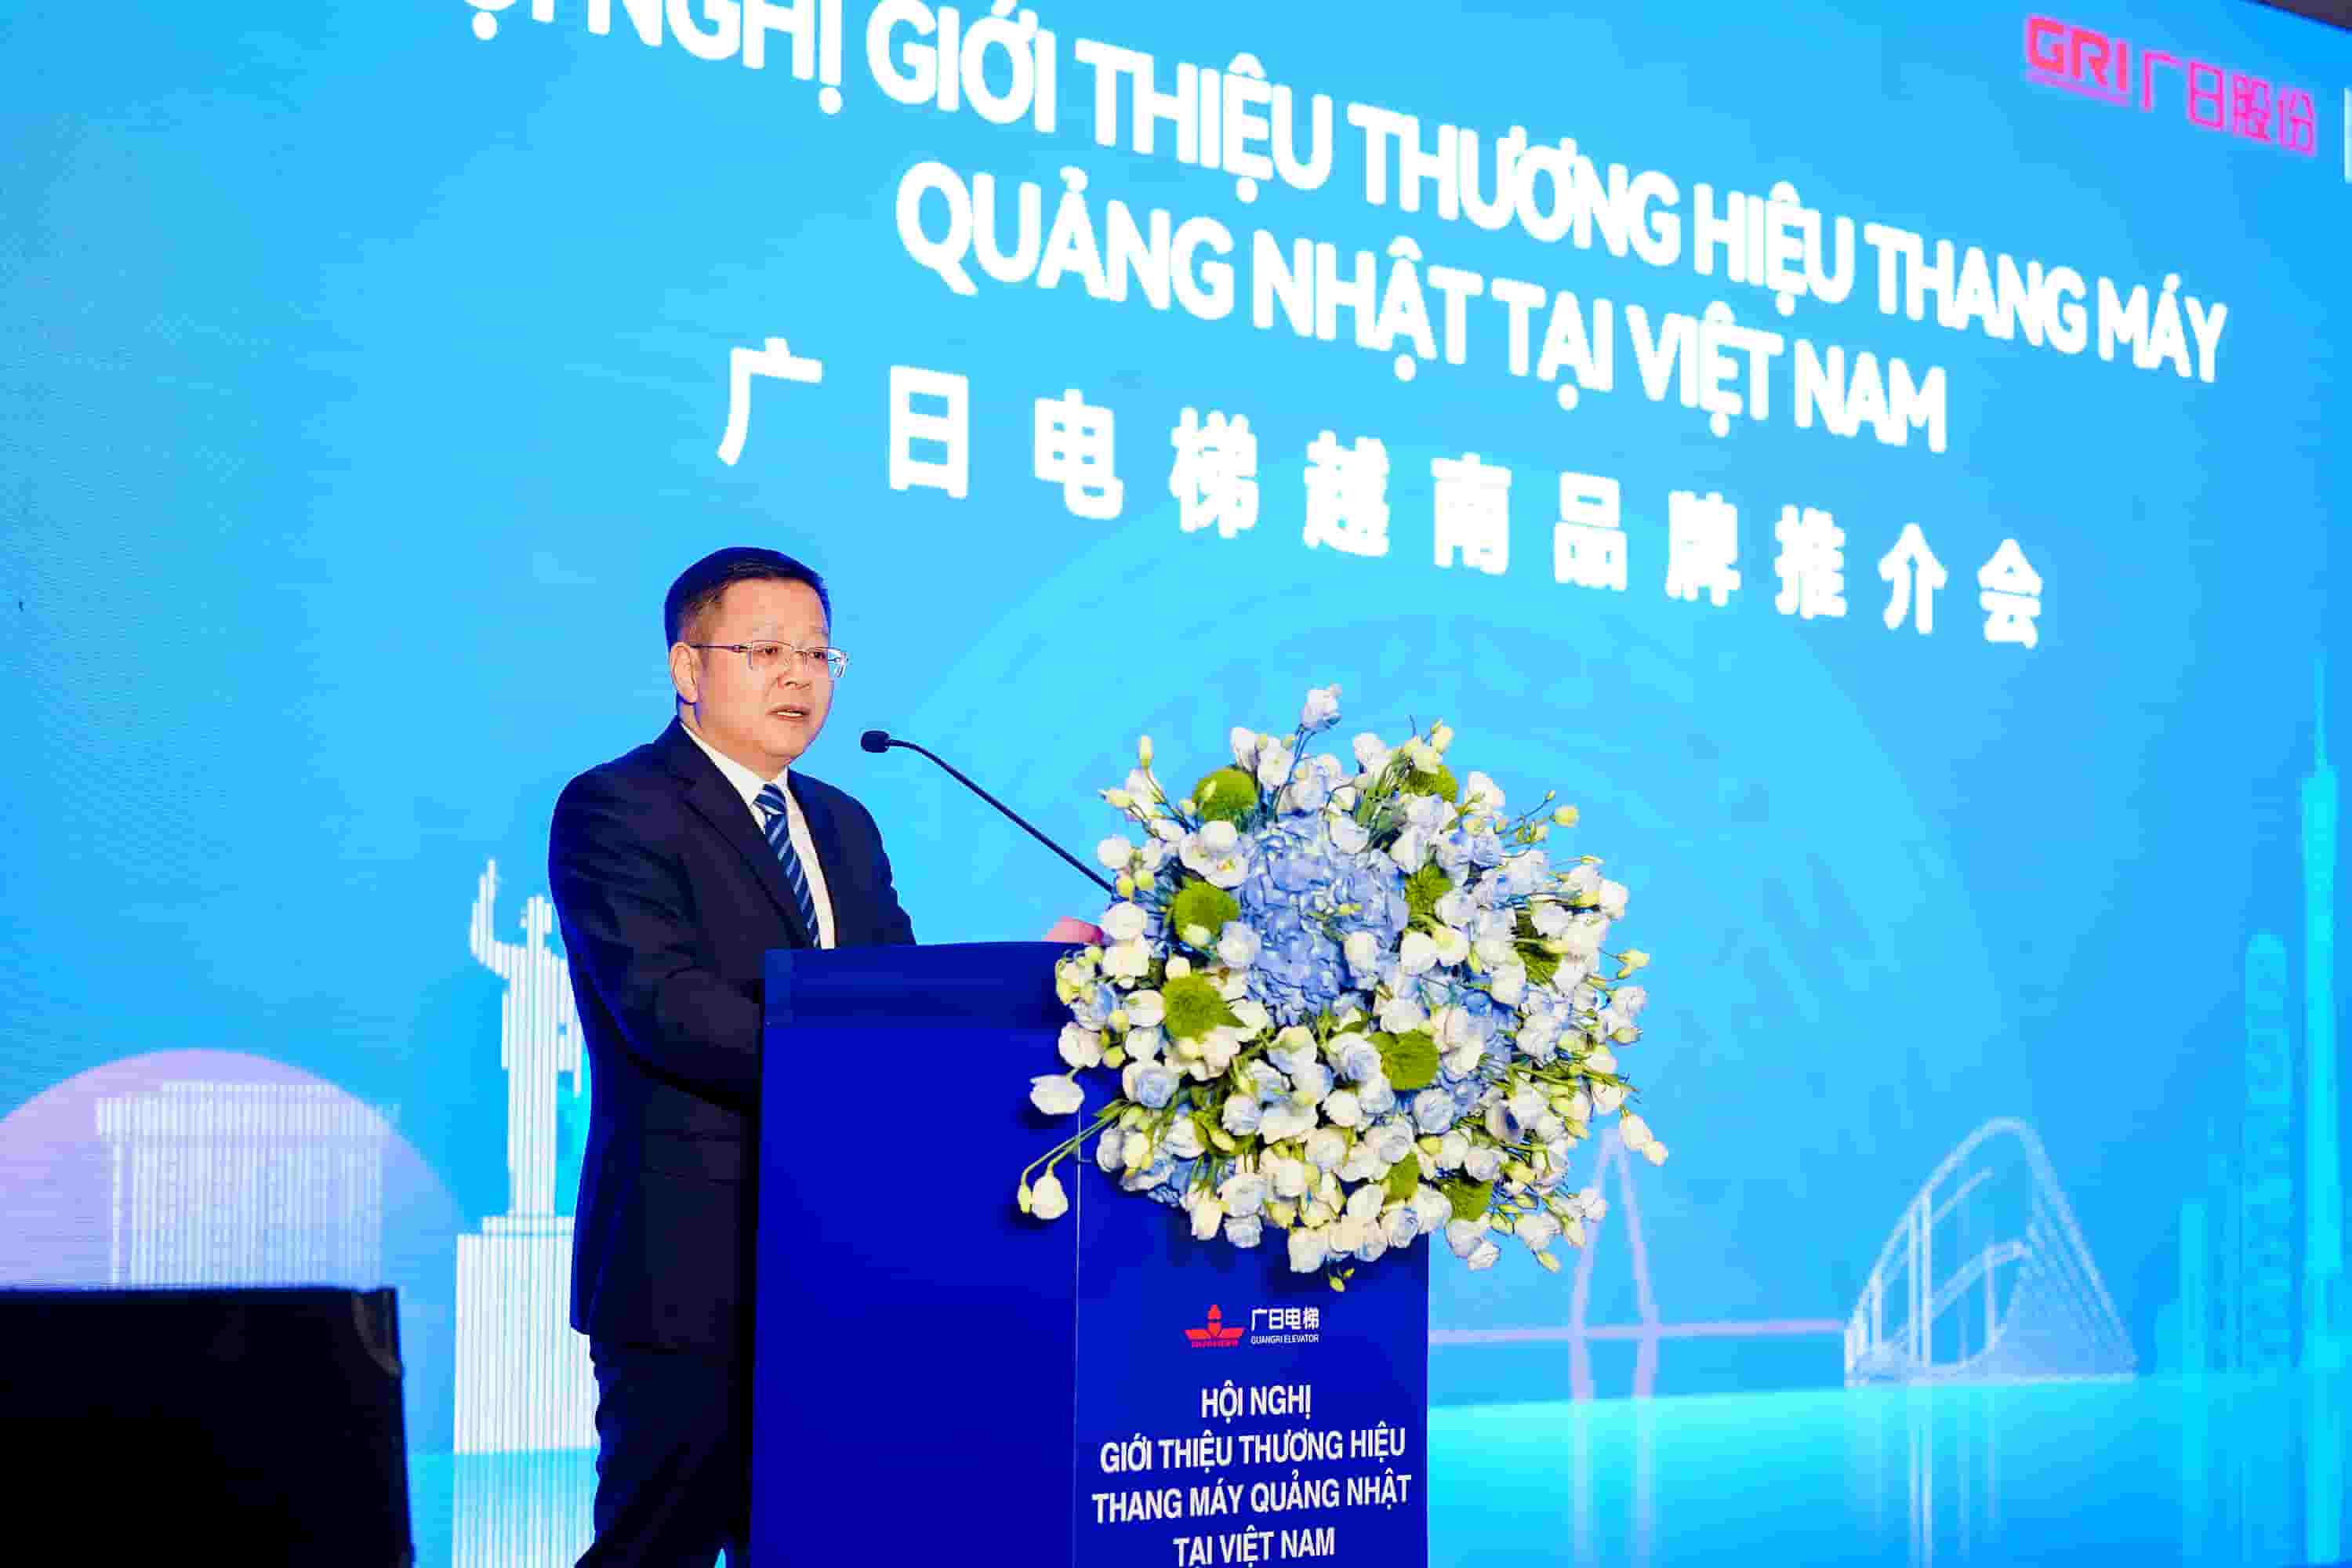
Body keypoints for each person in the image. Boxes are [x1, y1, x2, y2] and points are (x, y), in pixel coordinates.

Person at [548, 546, 914, 1566]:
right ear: (687, 668)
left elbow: (897, 998)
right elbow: (666, 1008)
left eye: (817, 654)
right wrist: (856, 1078)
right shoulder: (619, 807)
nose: (799, 676)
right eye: (765, 651)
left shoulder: (844, 824)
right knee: (655, 1547)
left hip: (841, 1258)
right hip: (688, 1265)